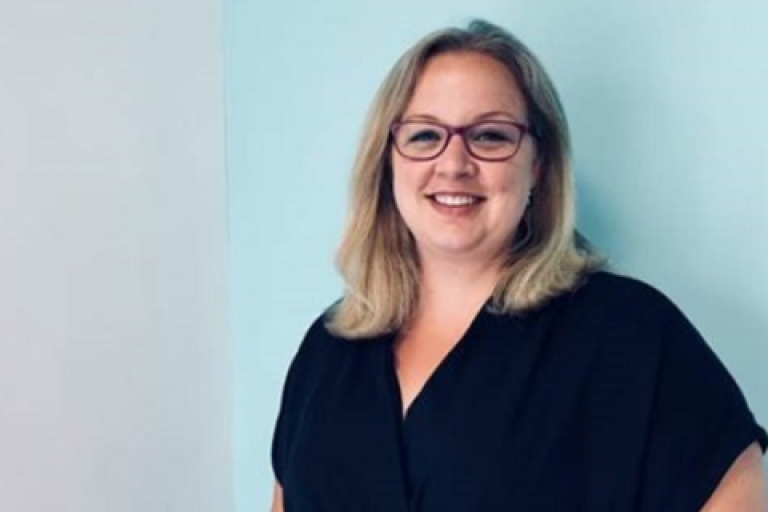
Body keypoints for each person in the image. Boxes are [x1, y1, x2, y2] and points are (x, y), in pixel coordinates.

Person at [269, 19, 768, 512]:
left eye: (489, 136)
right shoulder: (327, 351)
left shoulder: (630, 335)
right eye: (424, 136)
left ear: (538, 166)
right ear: (387, 162)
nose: (454, 162)